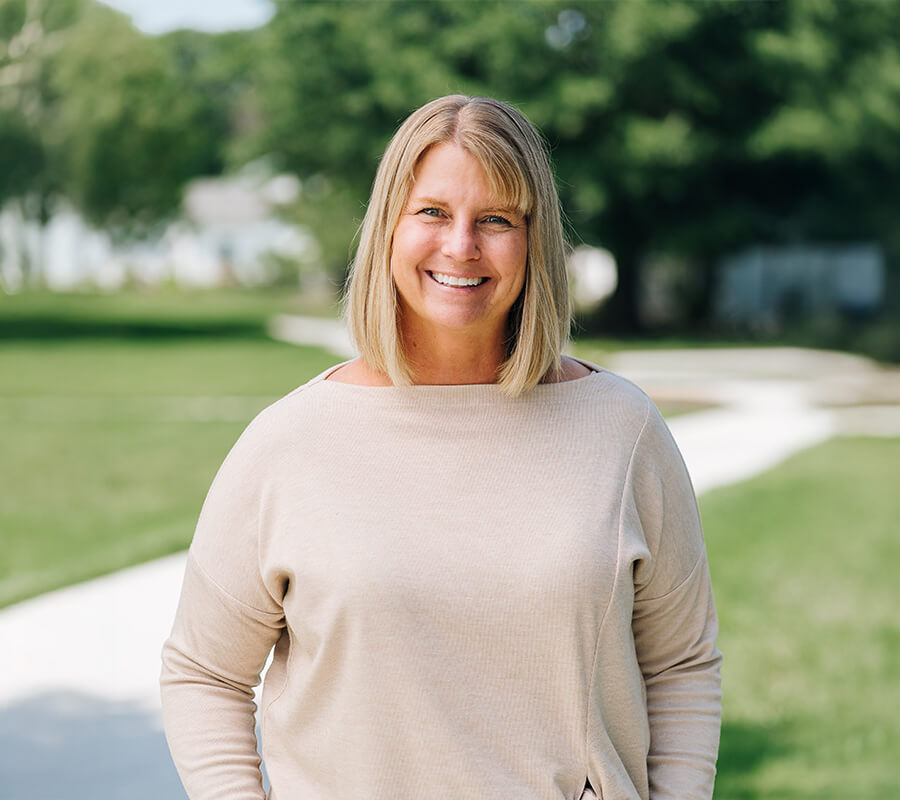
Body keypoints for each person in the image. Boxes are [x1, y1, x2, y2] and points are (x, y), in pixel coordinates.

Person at [160, 94, 722, 800]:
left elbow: (682, 666)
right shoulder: (288, 443)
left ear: (535, 240)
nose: (462, 246)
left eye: (497, 219)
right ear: (388, 227)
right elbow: (204, 673)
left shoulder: (621, 428)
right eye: (432, 212)